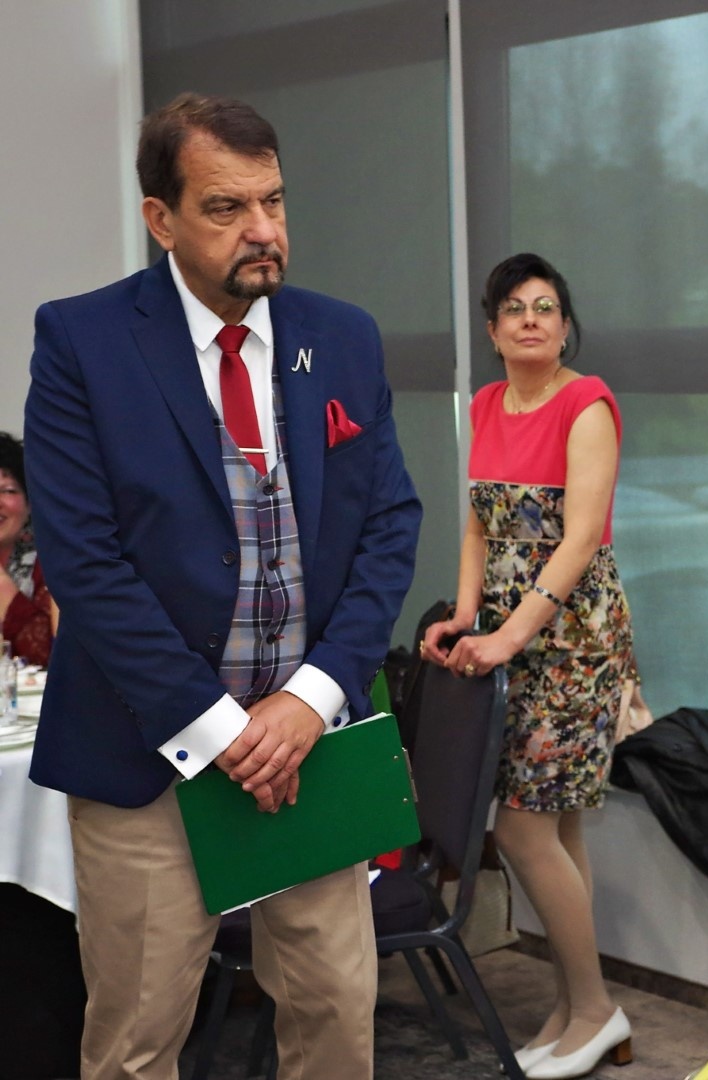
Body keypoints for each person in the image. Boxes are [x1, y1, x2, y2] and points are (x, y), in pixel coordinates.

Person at [24, 93, 421, 1079]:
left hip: (310, 749)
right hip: (146, 756)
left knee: (337, 1020)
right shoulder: (83, 342)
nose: (262, 230)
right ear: (160, 219)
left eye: (273, 201)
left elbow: (388, 528)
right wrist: (220, 730)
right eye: (226, 207)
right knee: (137, 1042)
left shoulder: (343, 337)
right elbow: (85, 561)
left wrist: (309, 700)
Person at [420, 253, 635, 1080]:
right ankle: (576, 1006)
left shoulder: (588, 404)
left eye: (547, 307)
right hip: (510, 632)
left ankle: (598, 1009)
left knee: (520, 826)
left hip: (575, 641)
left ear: (565, 326)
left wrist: (509, 638)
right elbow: (479, 525)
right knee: (560, 825)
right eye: (515, 308)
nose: (532, 320)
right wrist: (465, 614)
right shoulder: (485, 403)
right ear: (493, 329)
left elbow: (578, 542)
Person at [0, 433, 54, 667]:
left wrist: (3, 588)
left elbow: (48, 654)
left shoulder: (49, 561)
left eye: (8, 490)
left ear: (30, 503)